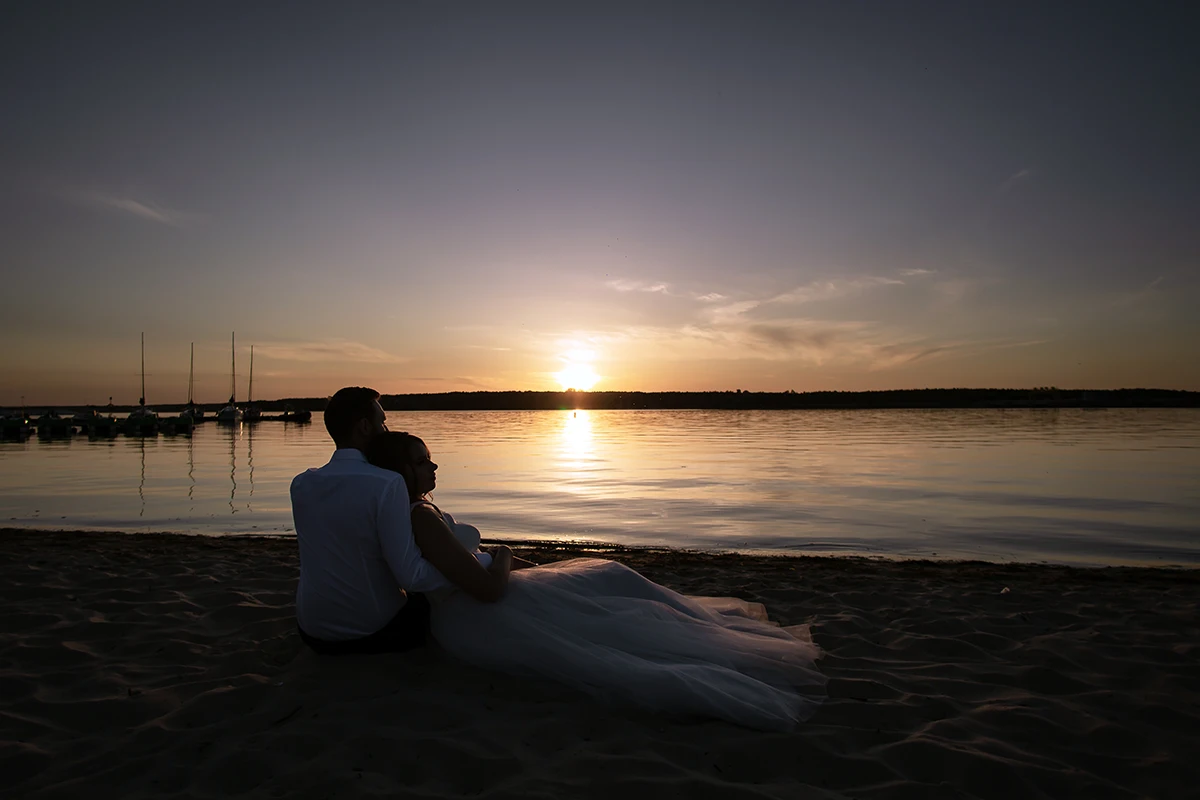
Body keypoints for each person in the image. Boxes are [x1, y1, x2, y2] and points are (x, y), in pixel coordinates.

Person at [367, 430, 827, 731]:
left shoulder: (413, 511)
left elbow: (470, 566)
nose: (434, 467)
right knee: (610, 590)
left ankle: (703, 631)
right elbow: (487, 588)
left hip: (474, 604)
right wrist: (504, 554)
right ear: (402, 470)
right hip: (477, 611)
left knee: (604, 584)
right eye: (425, 461)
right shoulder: (419, 515)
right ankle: (708, 645)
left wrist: (516, 564)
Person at [290, 387, 514, 656]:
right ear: (364, 426)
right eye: (381, 422)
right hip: (372, 632)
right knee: (440, 601)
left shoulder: (302, 483)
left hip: (311, 631)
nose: (385, 429)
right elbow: (412, 575)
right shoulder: (386, 483)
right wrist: (481, 564)